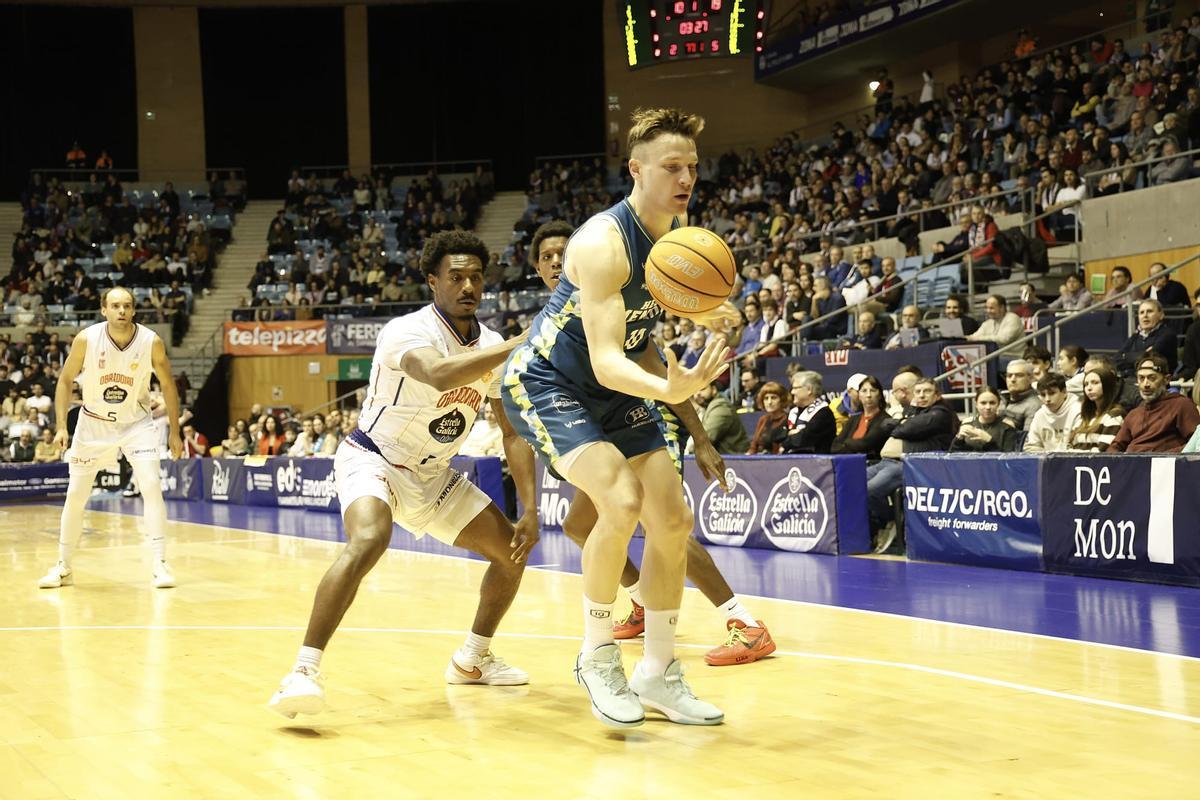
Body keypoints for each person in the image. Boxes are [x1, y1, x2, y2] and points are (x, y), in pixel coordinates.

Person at [502, 108, 734, 729]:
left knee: (673, 519)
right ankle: (598, 655)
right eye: (671, 167)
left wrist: (710, 314)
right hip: (550, 382)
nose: (686, 178)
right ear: (636, 170)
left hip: (615, 386)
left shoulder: (678, 238)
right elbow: (607, 361)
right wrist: (668, 388)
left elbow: (643, 333)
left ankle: (657, 672)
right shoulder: (601, 242)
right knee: (622, 500)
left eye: (692, 167)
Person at [269, 230, 539, 719]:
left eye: (476, 277)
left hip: (434, 476)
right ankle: (302, 672)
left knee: (512, 554)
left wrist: (531, 508)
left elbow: (512, 433)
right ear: (433, 281)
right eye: (456, 277)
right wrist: (519, 344)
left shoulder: (492, 344)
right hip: (374, 458)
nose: (468, 286)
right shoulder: (406, 331)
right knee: (371, 537)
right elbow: (439, 374)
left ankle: (472, 660)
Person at [527, 219, 774, 671]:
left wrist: (700, 437)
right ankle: (642, 600)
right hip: (599, 426)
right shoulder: (561, 318)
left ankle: (744, 622)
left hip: (644, 417)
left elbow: (659, 370)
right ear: (538, 268)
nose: (557, 262)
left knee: (665, 526)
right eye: (547, 257)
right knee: (579, 525)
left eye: (563, 253)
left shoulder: (616, 299)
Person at [37, 287, 183, 589]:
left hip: (136, 424)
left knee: (151, 485)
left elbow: (169, 386)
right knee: (76, 495)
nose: (122, 311)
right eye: (115, 306)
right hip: (93, 424)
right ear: (104, 309)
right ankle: (64, 566)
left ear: (134, 310)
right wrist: (61, 425)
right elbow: (65, 381)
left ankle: (160, 563)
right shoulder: (87, 339)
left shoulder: (151, 341)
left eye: (127, 305)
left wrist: (175, 432)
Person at [1108, 353, 1200, 453]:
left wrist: (1162, 456)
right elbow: (1114, 447)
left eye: (1151, 378)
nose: (1145, 384)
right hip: (1132, 462)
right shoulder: (1134, 414)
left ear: (1167, 379)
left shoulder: (1182, 405)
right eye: (1141, 378)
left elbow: (1195, 444)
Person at [1068, 364, 1126, 451]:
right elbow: (1069, 445)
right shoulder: (1085, 416)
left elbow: (1102, 451)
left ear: (1107, 385)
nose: (1089, 388)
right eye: (1086, 384)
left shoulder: (1115, 415)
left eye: (1095, 383)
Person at [1115, 299, 1178, 377]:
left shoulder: (1167, 335)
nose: (1145, 315)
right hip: (1133, 379)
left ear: (1161, 315)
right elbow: (1117, 359)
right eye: (1142, 312)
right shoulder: (1136, 335)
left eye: (1149, 311)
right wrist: (1139, 356)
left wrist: (1125, 356)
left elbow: (1147, 358)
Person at [830, 375, 889, 460]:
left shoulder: (885, 420)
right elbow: (834, 446)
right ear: (859, 395)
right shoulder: (853, 419)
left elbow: (866, 444)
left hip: (871, 464)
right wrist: (853, 448)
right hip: (846, 463)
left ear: (879, 395)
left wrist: (846, 443)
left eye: (873, 390)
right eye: (864, 391)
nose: (868, 395)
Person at [1023, 372, 1081, 452]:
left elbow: (1080, 448)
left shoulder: (1078, 411)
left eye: (1052, 393)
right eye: (1043, 395)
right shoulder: (1039, 414)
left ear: (1064, 392)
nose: (1047, 399)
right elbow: (1031, 447)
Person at [950, 386, 1019, 452]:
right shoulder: (967, 424)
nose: (988, 407)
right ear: (976, 404)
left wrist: (989, 440)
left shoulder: (1007, 428)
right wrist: (958, 439)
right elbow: (951, 454)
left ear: (998, 404)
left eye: (992, 403)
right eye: (983, 403)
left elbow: (1009, 457)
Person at [782, 370, 836, 454]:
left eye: (795, 388)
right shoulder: (794, 412)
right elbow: (777, 436)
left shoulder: (823, 413)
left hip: (815, 460)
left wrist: (789, 438)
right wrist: (793, 434)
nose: (792, 392)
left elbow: (802, 440)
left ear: (809, 389)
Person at [748, 381, 789, 454]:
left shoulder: (788, 419)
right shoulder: (763, 419)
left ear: (782, 400)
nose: (769, 402)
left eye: (773, 398)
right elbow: (753, 447)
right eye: (766, 398)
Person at [1001, 359, 1042, 431]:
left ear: (1031, 378)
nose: (1012, 379)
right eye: (1009, 375)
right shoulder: (1001, 398)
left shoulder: (1034, 405)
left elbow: (1029, 436)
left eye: (1019, 375)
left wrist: (1010, 428)